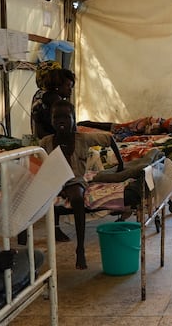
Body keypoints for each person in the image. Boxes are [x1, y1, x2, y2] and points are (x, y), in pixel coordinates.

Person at [39, 99, 124, 270]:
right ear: (51, 120)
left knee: (77, 198)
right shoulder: (46, 142)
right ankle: (32, 236)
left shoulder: (82, 139)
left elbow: (109, 138)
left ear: (73, 119)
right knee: (30, 195)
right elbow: (36, 162)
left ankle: (80, 248)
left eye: (66, 117)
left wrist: (121, 163)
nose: (61, 121)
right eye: (57, 117)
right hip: (53, 180)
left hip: (73, 180)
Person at [32, 67, 76, 139]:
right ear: (58, 86)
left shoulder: (41, 98)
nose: (70, 90)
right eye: (68, 86)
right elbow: (71, 132)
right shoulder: (60, 106)